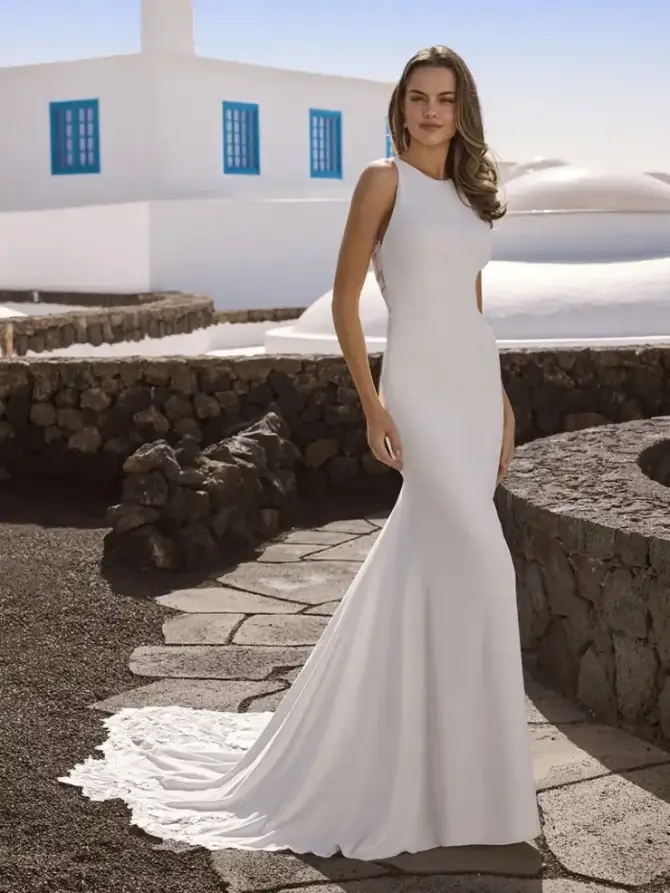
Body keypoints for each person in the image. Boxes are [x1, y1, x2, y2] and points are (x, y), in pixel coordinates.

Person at [59, 45, 541, 859]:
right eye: (419, 97)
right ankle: (431, 774)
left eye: (446, 99)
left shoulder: (469, 194)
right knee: (487, 568)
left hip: (472, 391)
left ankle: (453, 782)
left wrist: (500, 400)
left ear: (463, 110)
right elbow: (349, 302)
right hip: (418, 392)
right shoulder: (382, 183)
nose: (431, 112)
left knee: (432, 570)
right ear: (401, 106)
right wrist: (372, 403)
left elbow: (471, 306)